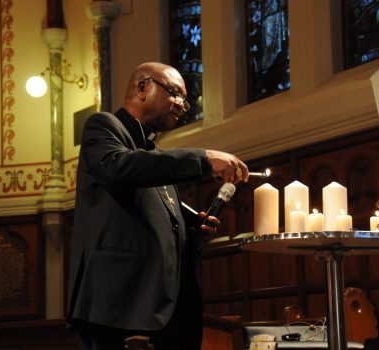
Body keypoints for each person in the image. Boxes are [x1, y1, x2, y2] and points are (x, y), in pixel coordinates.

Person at [66, 62, 249, 350]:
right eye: (175, 94)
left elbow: (153, 220)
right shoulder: (104, 127)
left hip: (163, 311)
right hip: (119, 306)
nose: (181, 105)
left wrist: (193, 231)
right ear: (142, 88)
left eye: (185, 100)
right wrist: (203, 158)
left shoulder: (153, 157)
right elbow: (120, 168)